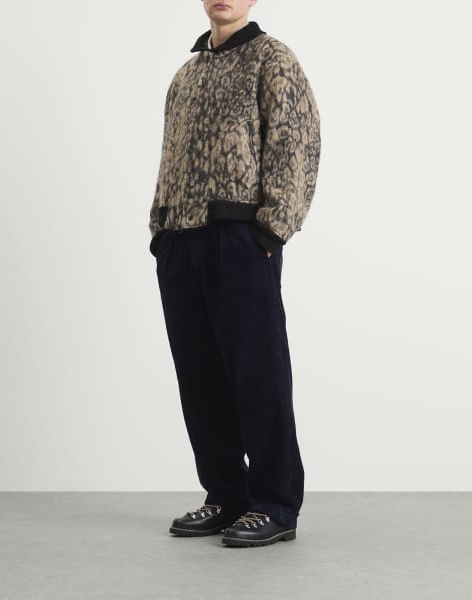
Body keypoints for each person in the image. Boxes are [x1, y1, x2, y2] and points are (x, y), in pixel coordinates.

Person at [148, 0, 321, 548]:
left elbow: (296, 145)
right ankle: (225, 494)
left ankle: (275, 504)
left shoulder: (273, 59)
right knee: (199, 375)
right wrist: (160, 228)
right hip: (181, 238)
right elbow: (170, 155)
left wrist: (272, 231)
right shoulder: (186, 74)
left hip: (242, 238)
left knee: (258, 373)